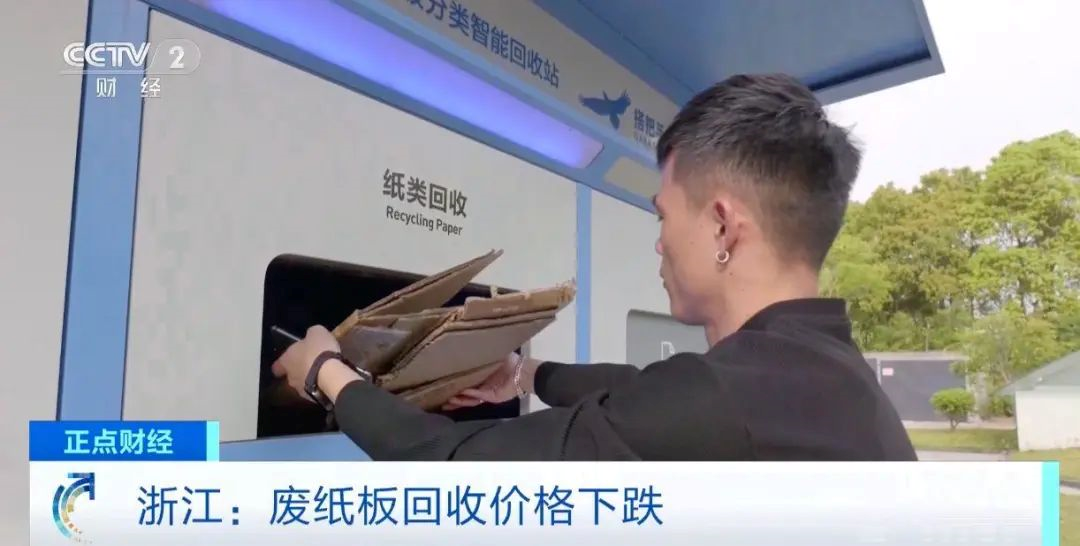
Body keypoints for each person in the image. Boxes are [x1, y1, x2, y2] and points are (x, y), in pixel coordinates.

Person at [272, 73, 917, 461]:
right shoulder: (834, 383)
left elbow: (455, 464)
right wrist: (524, 375)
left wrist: (328, 374)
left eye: (662, 216)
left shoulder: (722, 403)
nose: (659, 244)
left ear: (722, 226)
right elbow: (642, 392)